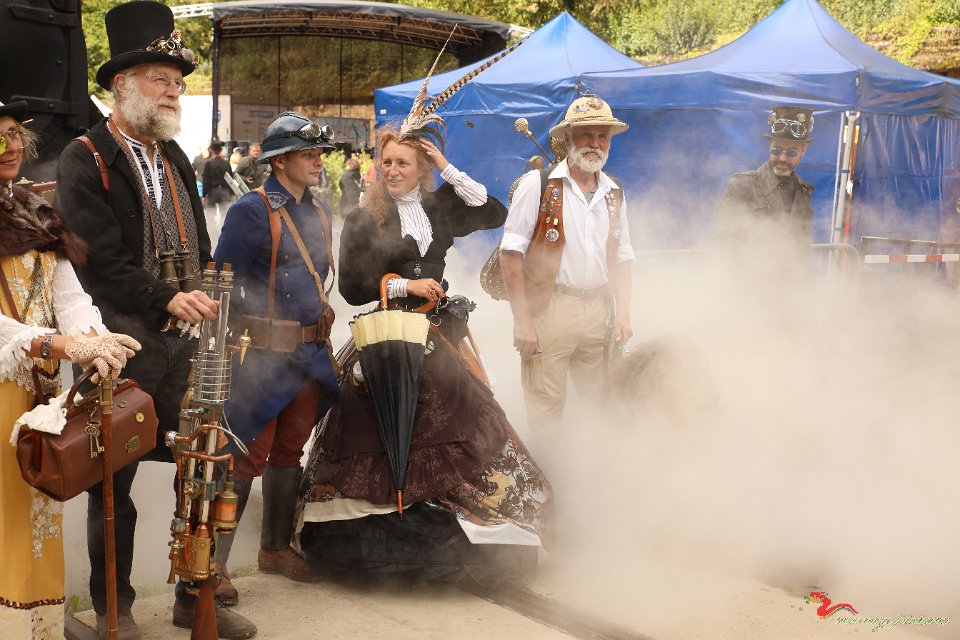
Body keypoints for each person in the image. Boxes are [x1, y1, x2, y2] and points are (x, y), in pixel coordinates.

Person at [54, 3, 256, 638]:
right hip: (121, 345)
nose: (174, 91)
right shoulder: (84, 157)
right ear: (122, 84)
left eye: (177, 81)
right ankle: (113, 610)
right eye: (160, 79)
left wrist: (204, 292)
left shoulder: (174, 156)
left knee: (204, 466)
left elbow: (198, 241)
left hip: (185, 344)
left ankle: (194, 593)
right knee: (113, 485)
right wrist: (166, 298)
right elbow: (97, 259)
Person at [296, 125, 553, 585]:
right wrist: (404, 285)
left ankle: (458, 520)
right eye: (387, 162)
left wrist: (446, 166)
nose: (393, 171)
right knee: (379, 429)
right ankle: (384, 538)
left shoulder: (438, 206)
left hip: (440, 336)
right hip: (387, 336)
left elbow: (492, 211)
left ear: (422, 169)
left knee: (463, 419)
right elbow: (352, 287)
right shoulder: (365, 218)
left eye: (404, 163)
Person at [0, 99, 141, 639]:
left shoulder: (33, 210)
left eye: (15, 134)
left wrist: (94, 339)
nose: (11, 147)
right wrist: (63, 345)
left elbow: (69, 295)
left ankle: (34, 628)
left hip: (40, 396)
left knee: (36, 516)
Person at [211, 112, 340, 605]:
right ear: (280, 161)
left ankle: (275, 549)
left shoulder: (320, 211)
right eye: (309, 154)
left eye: (319, 154)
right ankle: (215, 566)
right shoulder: (251, 210)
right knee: (245, 455)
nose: (318, 162)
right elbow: (220, 281)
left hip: (310, 353)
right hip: (262, 357)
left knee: (290, 451)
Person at [500, 93, 635, 430]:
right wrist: (522, 321)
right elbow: (510, 254)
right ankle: (547, 466)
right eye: (586, 134)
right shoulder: (538, 184)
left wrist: (622, 314)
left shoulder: (614, 192)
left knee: (601, 407)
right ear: (569, 139)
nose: (595, 143)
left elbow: (623, 257)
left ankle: (591, 463)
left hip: (599, 312)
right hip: (549, 309)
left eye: (602, 136)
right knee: (544, 410)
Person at [715, 105, 816, 245]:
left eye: (791, 152)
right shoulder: (742, 185)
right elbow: (724, 240)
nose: (782, 158)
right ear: (770, 145)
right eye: (777, 150)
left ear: (803, 150)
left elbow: (803, 245)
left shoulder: (803, 192)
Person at [202, 140, 234, 215]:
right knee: (225, 215)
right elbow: (230, 179)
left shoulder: (209, 163)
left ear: (211, 150)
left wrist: (204, 195)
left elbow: (206, 180)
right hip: (225, 191)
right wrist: (231, 193)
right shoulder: (226, 163)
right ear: (221, 150)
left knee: (211, 214)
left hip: (212, 192)